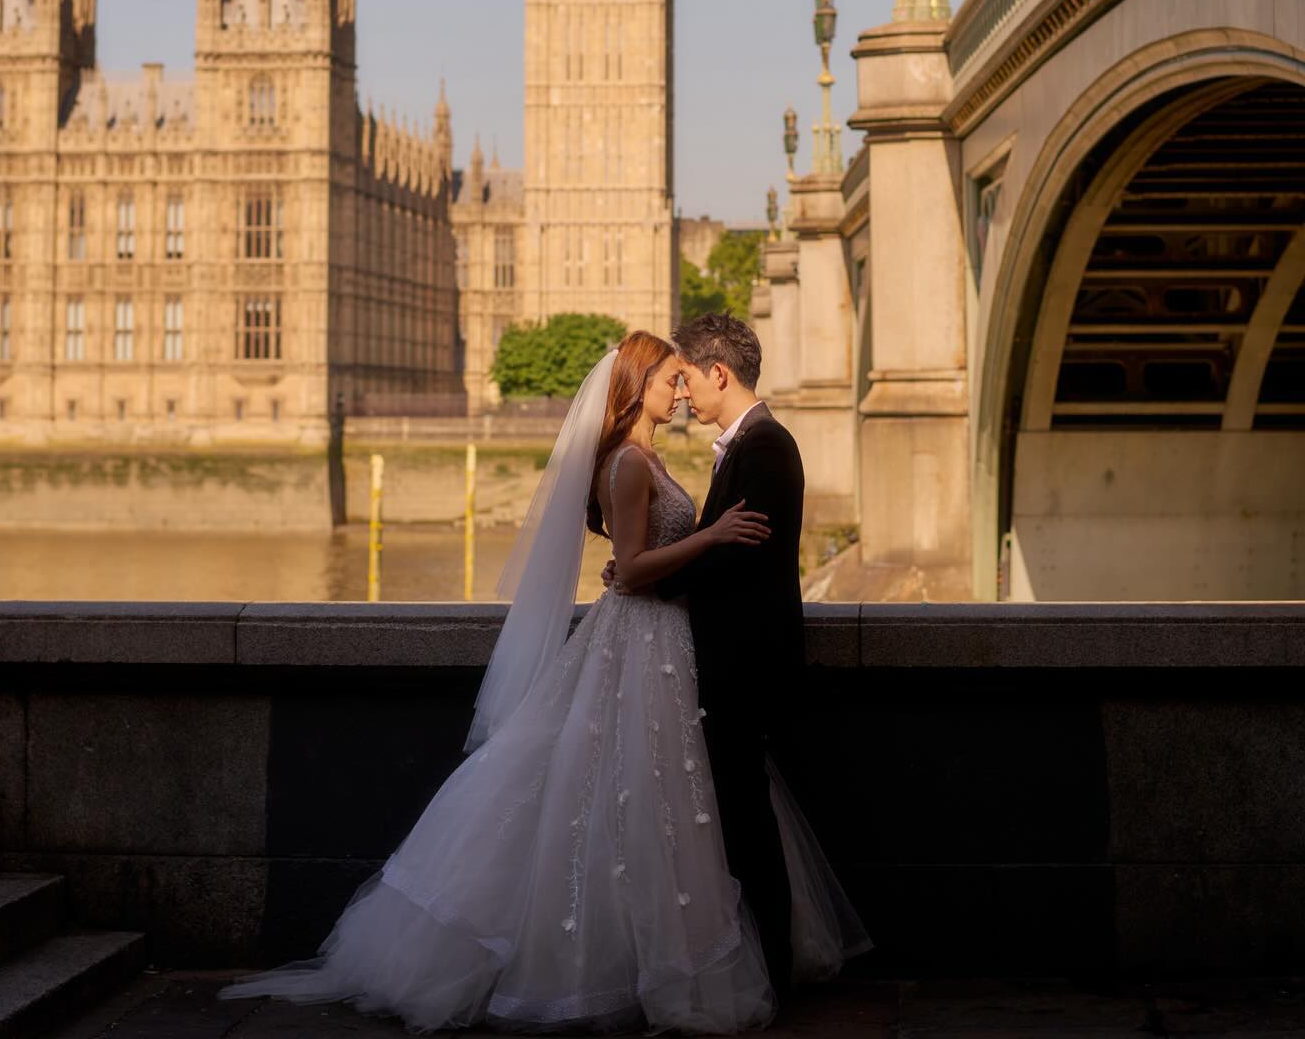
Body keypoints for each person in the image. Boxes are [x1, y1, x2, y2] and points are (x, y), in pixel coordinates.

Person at [222, 331, 865, 1031]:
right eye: (669, 381)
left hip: (671, 645)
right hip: (642, 644)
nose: (680, 392)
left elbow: (641, 564)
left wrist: (657, 564)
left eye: (686, 381)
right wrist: (700, 542)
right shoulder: (626, 462)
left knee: (667, 809)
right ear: (637, 385)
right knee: (631, 802)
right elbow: (635, 563)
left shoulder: (656, 457)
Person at [612, 312, 863, 1002]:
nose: (684, 392)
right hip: (725, 660)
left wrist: (645, 575)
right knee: (736, 821)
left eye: (687, 377)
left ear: (717, 373)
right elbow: (719, 547)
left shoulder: (765, 448)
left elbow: (737, 558)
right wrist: (647, 570)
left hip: (744, 666)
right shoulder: (749, 445)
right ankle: (759, 964)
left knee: (746, 826)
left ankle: (771, 971)